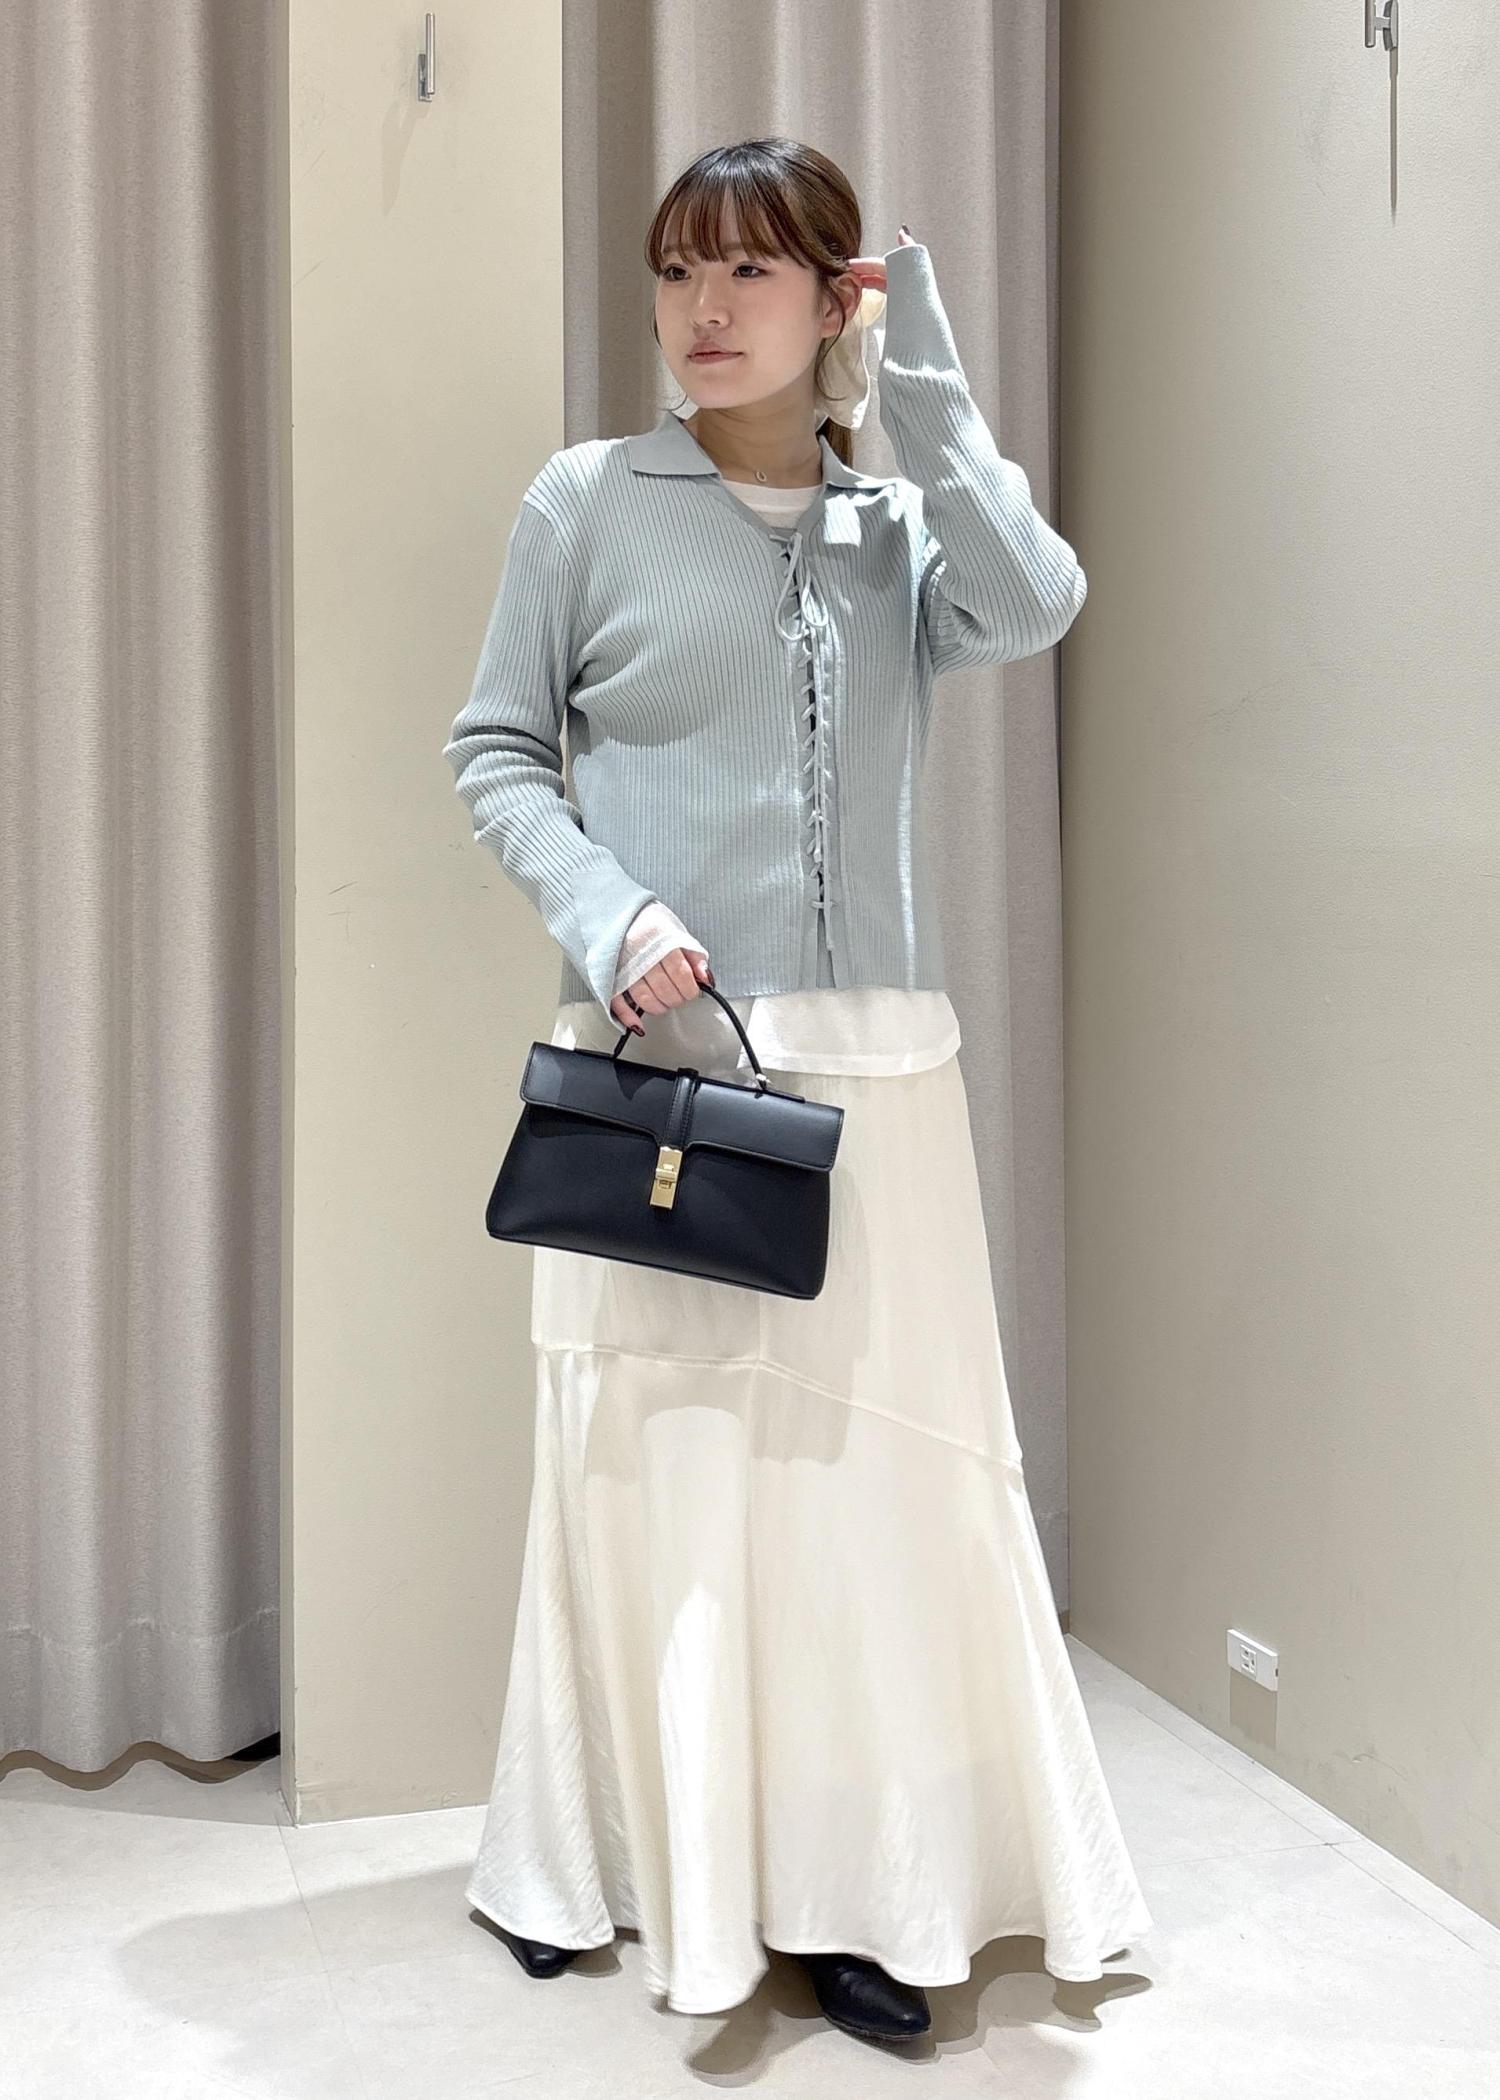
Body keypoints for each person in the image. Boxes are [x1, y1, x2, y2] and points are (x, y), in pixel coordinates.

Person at [443, 137, 1151, 2047]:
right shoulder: (589, 501)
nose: (701, 310)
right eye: (678, 270)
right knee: (663, 1475)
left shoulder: (895, 526)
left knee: (866, 1498)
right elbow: (498, 748)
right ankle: (604, 1852)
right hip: (659, 1073)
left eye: (750, 272)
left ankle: (854, 1891)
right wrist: (614, 916)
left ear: (831, 298)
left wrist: (918, 384)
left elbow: (1039, 602)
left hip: (879, 1071)